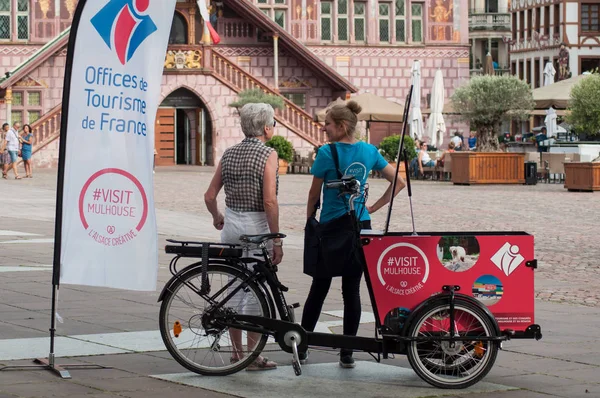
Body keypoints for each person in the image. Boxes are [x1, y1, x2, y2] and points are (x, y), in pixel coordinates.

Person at [301, 101, 405, 369]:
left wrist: (309, 220)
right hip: (360, 225)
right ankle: (347, 352)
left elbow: (314, 194)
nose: (324, 128)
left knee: (319, 287)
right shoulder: (369, 151)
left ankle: (302, 346)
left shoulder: (326, 153)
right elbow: (400, 182)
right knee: (352, 290)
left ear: (342, 126)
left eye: (328, 124)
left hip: (332, 226)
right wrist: (372, 207)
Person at [204, 103, 281, 371]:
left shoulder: (229, 153)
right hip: (257, 226)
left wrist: (217, 217)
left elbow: (209, 196)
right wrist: (276, 240)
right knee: (256, 291)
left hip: (232, 226)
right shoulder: (268, 154)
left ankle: (236, 353)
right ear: (267, 127)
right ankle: (252, 355)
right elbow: (269, 201)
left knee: (235, 287)